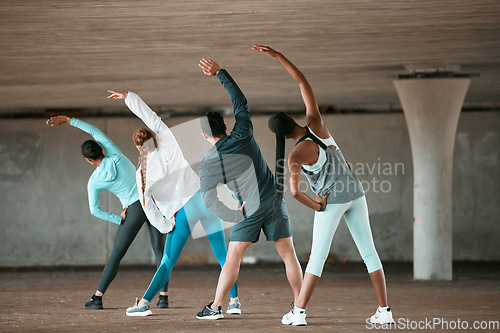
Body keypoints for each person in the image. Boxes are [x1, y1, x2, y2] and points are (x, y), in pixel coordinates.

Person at [255, 45, 395, 326]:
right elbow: (303, 83)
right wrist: (279, 56)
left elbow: (295, 192)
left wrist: (318, 204)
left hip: (332, 201)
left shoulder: (294, 155)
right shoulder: (316, 124)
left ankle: (299, 313)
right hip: (357, 193)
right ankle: (385, 311)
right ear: (291, 121)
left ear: (279, 135)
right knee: (369, 253)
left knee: (317, 258)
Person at [106, 90, 240, 316]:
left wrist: (167, 225)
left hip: (183, 212)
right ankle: (234, 302)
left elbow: (149, 210)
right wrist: (129, 97)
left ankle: (144, 304)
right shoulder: (167, 140)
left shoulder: (141, 175)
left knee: (167, 262)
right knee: (224, 256)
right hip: (206, 199)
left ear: (139, 148)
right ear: (154, 137)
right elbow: (150, 117)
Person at [195, 58, 303, 320]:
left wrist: (233, 214)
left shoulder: (209, 163)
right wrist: (220, 72)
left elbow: (208, 200)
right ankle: (300, 305)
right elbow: (240, 102)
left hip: (248, 209)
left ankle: (216, 307)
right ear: (224, 126)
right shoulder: (243, 131)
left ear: (204, 135)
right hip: (274, 200)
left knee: (233, 258)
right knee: (289, 255)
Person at [46, 115, 166, 310]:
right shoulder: (115, 154)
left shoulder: (94, 181)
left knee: (117, 253)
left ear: (88, 160)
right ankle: (163, 297)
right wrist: (69, 120)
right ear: (102, 149)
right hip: (152, 201)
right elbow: (94, 130)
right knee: (160, 251)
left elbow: (95, 211)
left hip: (133, 209)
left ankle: (97, 298)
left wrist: (118, 218)